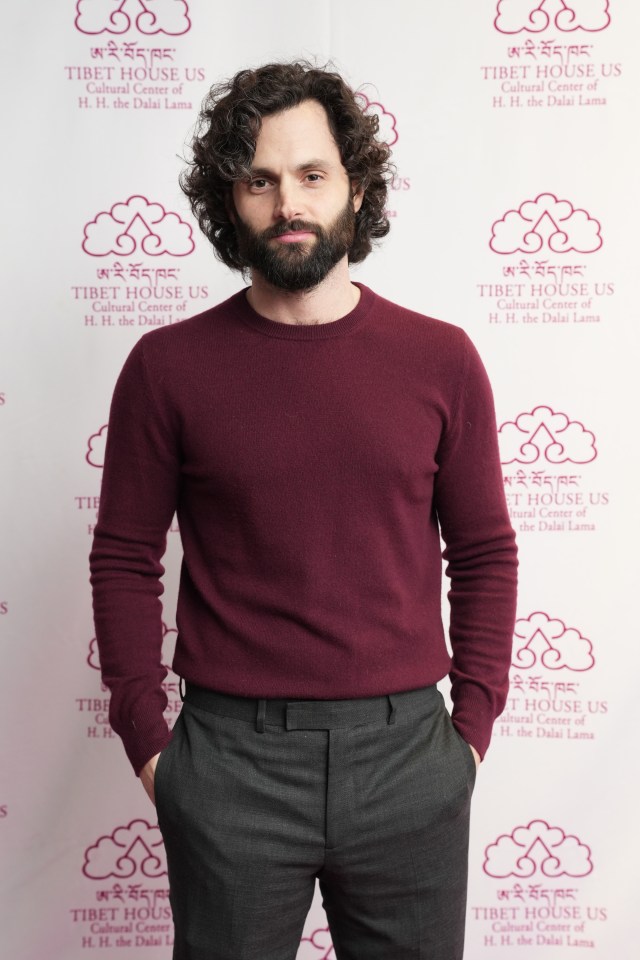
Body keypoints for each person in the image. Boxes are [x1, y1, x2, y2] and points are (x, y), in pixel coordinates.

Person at [90, 61, 518, 960]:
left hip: (409, 759)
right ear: (230, 200)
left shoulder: (441, 360)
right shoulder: (167, 368)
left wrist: (469, 733)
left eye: (312, 174)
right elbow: (125, 556)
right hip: (228, 763)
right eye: (260, 179)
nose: (289, 201)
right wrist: (151, 743)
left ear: (355, 186)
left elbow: (483, 552)